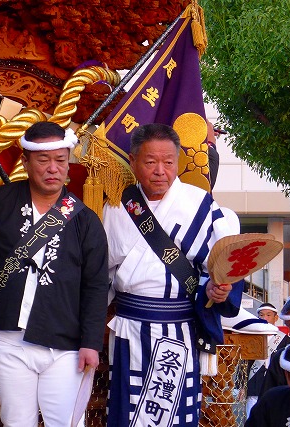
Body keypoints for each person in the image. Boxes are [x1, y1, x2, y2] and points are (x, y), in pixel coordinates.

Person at [102, 123, 241, 426]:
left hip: (179, 331)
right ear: (134, 161)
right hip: (129, 328)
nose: (160, 171)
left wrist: (217, 289)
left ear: (178, 161)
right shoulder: (116, 208)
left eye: (168, 162)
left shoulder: (200, 206)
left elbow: (219, 268)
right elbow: (103, 276)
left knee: (176, 412)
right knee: (128, 410)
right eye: (150, 162)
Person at [0, 122, 109, 426]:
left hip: (64, 343)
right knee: (16, 420)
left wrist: (91, 342)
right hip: (8, 338)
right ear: (26, 161)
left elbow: (95, 284)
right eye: (43, 160)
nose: (53, 169)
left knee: (64, 422)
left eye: (60, 160)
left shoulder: (85, 220)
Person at [245, 302, 290, 415]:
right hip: (255, 385)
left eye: (268, 315)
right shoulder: (252, 338)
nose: (264, 318)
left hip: (276, 386)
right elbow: (246, 362)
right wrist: (241, 386)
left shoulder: (285, 340)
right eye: (261, 315)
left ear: (276, 317)